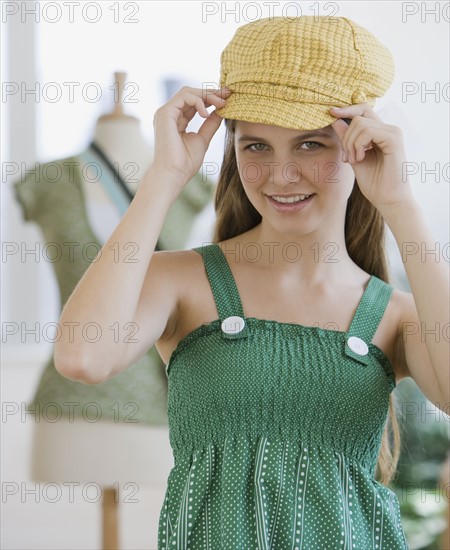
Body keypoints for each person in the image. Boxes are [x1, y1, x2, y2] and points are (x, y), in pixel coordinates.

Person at [54, 16, 449, 550]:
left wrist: (400, 204)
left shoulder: (393, 314)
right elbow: (83, 357)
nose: (281, 175)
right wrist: (163, 178)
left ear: (363, 145)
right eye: (256, 146)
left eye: (311, 145)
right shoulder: (184, 281)